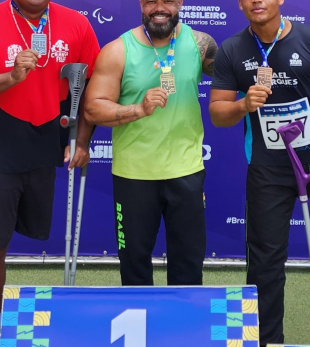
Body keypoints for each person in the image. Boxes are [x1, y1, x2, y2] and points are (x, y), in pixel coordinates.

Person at [209, 0, 310, 345]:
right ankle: (266, 340)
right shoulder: (232, 48)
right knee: (265, 260)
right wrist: (244, 104)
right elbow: (218, 113)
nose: (257, 1)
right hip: (267, 166)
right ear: (241, 4)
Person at [0, 0, 100, 313]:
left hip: (47, 141)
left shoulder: (76, 24)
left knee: (43, 235)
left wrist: (81, 140)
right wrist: (10, 77)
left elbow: (95, 86)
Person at [84, 0, 217, 286]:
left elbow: (233, 77)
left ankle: (182, 328)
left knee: (189, 265)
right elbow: (93, 109)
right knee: (134, 265)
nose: (160, 8)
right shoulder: (118, 50)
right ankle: (140, 329)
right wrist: (138, 110)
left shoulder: (200, 43)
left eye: (168, 1)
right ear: (142, 4)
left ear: (179, 3)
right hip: (134, 174)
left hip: (186, 170)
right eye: (151, 1)